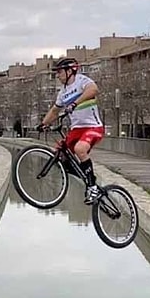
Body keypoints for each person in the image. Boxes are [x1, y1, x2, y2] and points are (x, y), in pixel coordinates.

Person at [37, 57, 104, 204]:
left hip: (93, 127)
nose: (57, 76)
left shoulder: (81, 81)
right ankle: (87, 177)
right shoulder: (63, 93)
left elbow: (93, 89)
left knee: (80, 149)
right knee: (60, 155)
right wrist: (43, 124)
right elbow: (55, 111)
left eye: (59, 72)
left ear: (69, 71)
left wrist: (75, 103)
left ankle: (92, 186)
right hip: (76, 130)